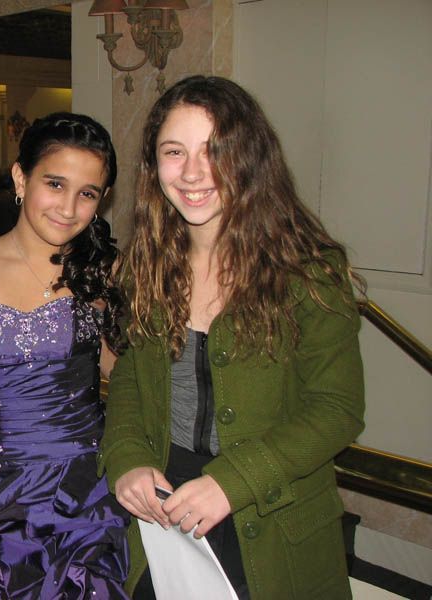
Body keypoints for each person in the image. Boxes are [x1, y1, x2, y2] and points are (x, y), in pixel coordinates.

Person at [100, 75, 365, 600]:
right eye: (174, 152)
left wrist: (232, 480)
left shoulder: (310, 271)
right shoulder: (145, 266)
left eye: (214, 151)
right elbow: (130, 377)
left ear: (250, 159)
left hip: (272, 513)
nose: (194, 173)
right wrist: (127, 457)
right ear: (154, 167)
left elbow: (337, 409)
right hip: (167, 512)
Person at [0, 112, 130, 598]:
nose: (69, 207)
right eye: (55, 183)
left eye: (88, 193)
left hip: (85, 495)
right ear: (20, 177)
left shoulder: (104, 273)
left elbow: (131, 381)